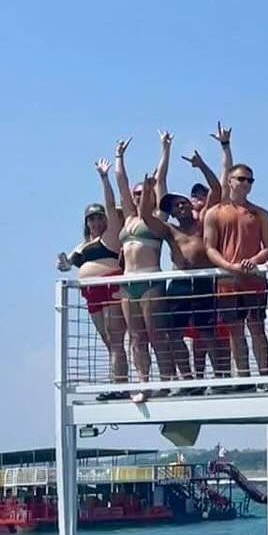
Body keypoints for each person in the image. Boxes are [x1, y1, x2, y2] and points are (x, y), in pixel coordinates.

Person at [139, 152, 224, 386]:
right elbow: (145, 216)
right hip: (179, 284)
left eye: (183, 202)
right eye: (176, 206)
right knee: (174, 334)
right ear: (173, 213)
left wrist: (202, 165)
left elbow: (216, 190)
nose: (181, 206)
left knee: (208, 334)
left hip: (204, 282)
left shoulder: (204, 220)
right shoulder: (170, 230)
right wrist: (148, 190)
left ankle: (220, 380)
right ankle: (186, 380)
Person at [204, 145, 268, 385]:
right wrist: (229, 266)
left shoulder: (260, 213)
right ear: (230, 181)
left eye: (250, 180)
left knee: (257, 328)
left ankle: (265, 378)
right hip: (226, 282)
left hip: (253, 280)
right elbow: (210, 248)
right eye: (241, 179)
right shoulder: (214, 213)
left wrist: (251, 262)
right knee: (234, 332)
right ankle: (243, 377)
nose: (246, 184)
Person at [58, 156, 127, 393]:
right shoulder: (82, 246)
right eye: (92, 218)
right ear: (86, 223)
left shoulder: (111, 236)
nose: (96, 221)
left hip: (110, 286)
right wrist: (61, 262)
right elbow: (68, 264)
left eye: (99, 217)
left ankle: (120, 385)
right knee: (108, 341)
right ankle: (116, 382)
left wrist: (104, 177)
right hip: (91, 293)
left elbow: (110, 204)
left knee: (115, 337)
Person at [113, 134, 174, 398]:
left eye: (142, 193)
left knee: (155, 333)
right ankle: (143, 382)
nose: (138, 197)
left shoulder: (157, 218)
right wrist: (119, 157)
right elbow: (121, 184)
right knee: (136, 337)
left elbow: (160, 181)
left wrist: (165, 149)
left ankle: (166, 381)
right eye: (136, 194)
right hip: (129, 282)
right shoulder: (127, 218)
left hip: (150, 280)